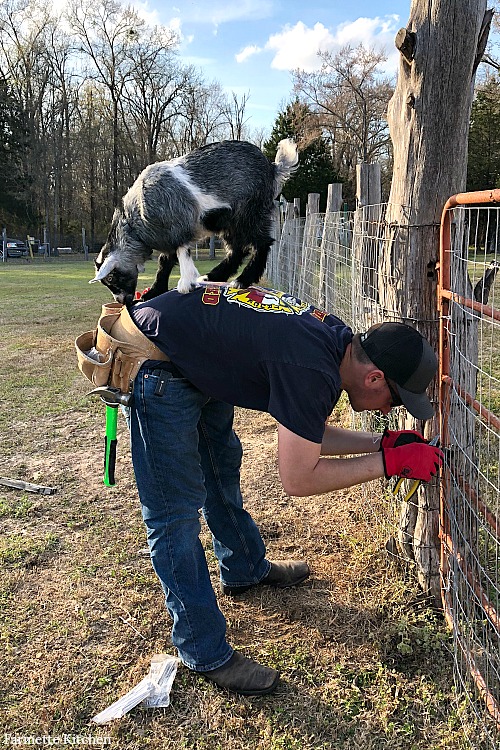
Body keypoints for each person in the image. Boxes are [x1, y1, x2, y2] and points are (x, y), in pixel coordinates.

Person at [121, 283, 443, 696]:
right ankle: (203, 651)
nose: (388, 411)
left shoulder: (335, 342)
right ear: (375, 376)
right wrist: (387, 463)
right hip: (157, 363)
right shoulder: (314, 368)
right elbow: (299, 477)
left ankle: (244, 568)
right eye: (394, 400)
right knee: (174, 518)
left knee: (220, 474)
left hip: (194, 355)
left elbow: (306, 430)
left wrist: (381, 443)